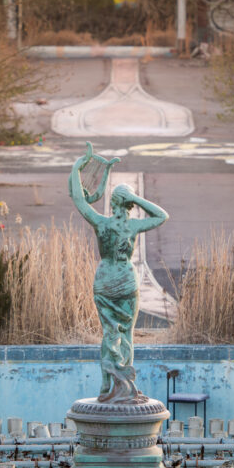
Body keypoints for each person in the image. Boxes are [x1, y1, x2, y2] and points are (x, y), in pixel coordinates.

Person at [69, 146, 168, 403]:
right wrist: (136, 200)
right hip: (125, 279)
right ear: (130, 204)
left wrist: (76, 169)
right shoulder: (134, 225)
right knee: (127, 333)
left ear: (112, 202)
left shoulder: (101, 223)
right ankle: (125, 386)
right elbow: (161, 216)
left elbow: (79, 200)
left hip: (104, 280)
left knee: (109, 332)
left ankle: (107, 387)